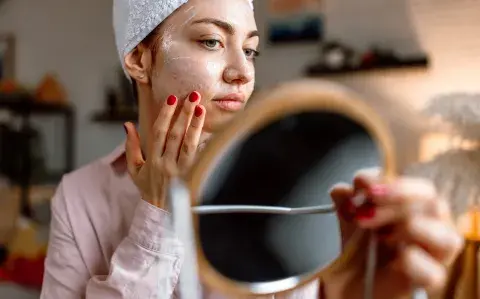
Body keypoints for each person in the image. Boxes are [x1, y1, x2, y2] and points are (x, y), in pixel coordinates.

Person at [40, 0, 464, 298]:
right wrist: (157, 213)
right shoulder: (80, 197)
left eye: (250, 49)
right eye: (210, 41)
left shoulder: (294, 184)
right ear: (138, 58)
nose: (243, 72)